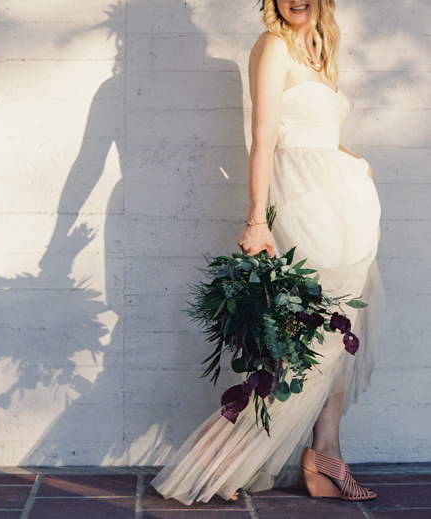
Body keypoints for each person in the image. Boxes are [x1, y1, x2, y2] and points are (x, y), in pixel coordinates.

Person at [151, 0, 383, 504]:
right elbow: (265, 136)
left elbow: (317, 135)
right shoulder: (273, 45)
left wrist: (353, 159)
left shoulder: (320, 46)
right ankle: (217, 463)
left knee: (334, 342)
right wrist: (257, 219)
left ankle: (325, 457)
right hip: (305, 207)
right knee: (304, 343)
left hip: (342, 208)